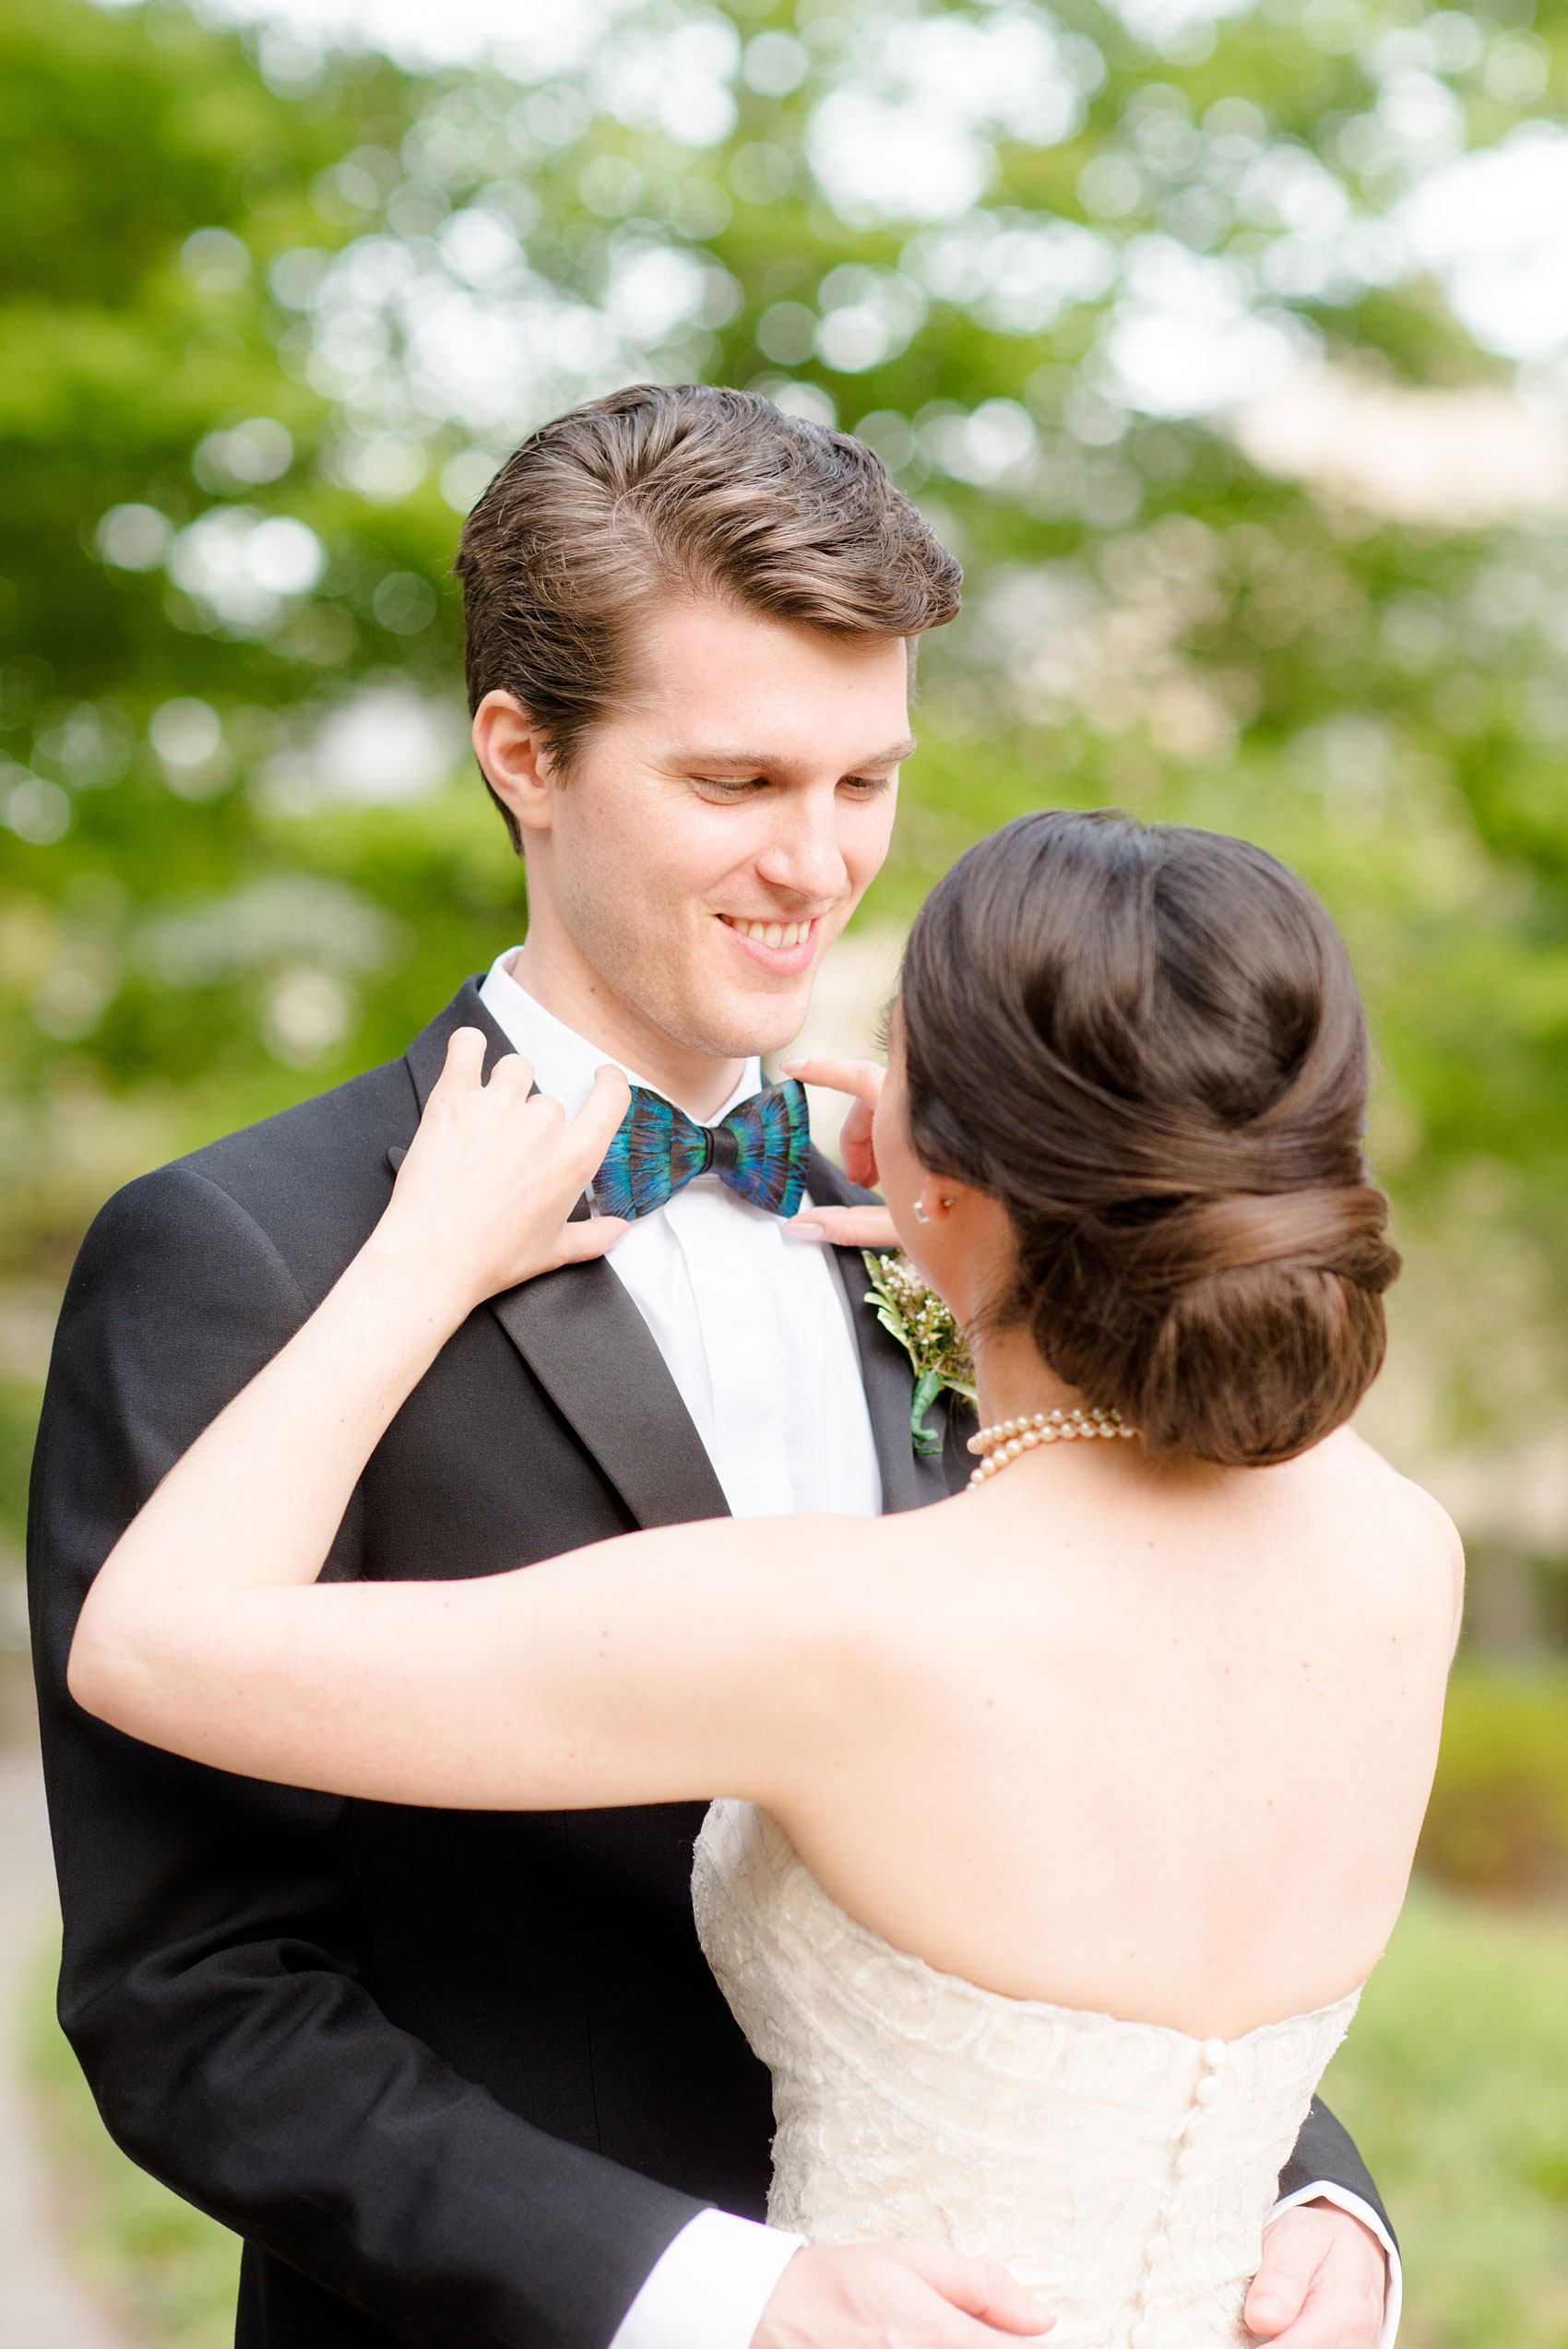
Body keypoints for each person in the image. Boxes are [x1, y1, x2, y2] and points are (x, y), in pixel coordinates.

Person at [30, 386, 1399, 2349]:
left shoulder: (977, 1216)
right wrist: (714, 2295)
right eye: (739, 781)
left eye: (866, 781)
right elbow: (197, 1999)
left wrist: (1303, 2179)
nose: (818, 865)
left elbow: (1143, 1773)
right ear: (525, 753)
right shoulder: (248, 1250)